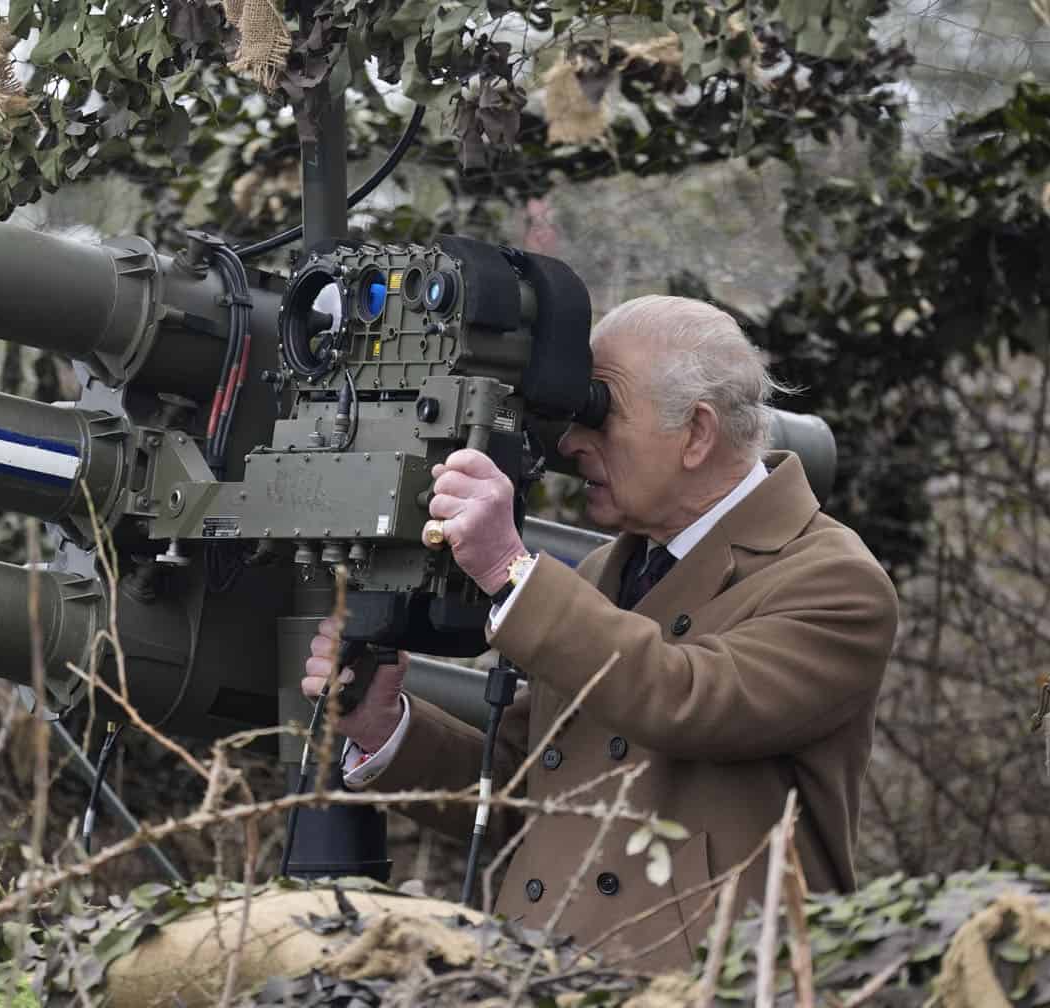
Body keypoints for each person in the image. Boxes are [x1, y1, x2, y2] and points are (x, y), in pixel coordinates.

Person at [302, 295, 899, 969]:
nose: (572, 442)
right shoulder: (600, 574)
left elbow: (689, 699)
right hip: (541, 970)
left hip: (707, 983)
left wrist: (509, 568)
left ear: (697, 433)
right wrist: (389, 731)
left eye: (601, 412)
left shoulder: (832, 581)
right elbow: (535, 790)